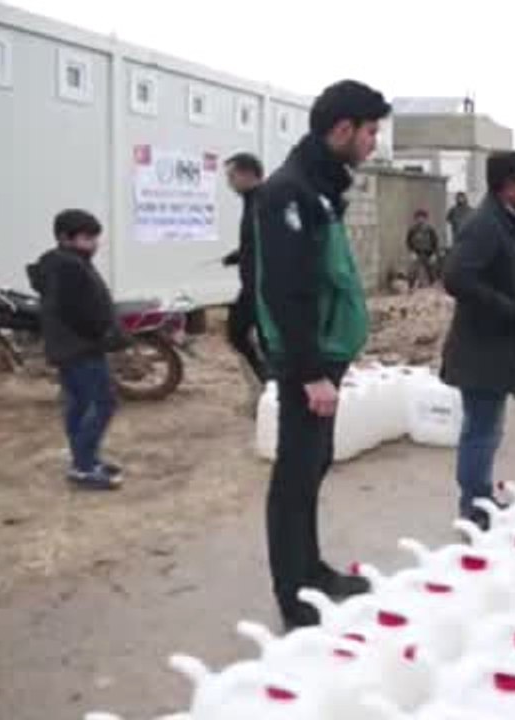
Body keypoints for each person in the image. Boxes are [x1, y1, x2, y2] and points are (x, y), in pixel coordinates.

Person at [253, 79, 391, 629]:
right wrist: (310, 374)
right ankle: (294, 598)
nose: (373, 141)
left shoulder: (320, 184)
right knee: (294, 477)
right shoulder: (288, 191)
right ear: (342, 130)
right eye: (370, 130)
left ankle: (312, 572)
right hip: (306, 363)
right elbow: (286, 289)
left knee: (313, 466)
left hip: (325, 356)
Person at [440, 151, 515, 528]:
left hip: (495, 347)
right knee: (481, 430)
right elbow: (456, 277)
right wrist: (507, 308)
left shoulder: (510, 221)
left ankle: (480, 497)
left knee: (487, 428)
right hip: (480, 348)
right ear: (508, 186)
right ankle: (474, 505)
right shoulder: (485, 225)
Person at [27, 209, 125, 491]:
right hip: (81, 348)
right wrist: (102, 333)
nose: (93, 244)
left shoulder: (65, 261)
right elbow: (79, 312)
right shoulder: (68, 267)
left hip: (70, 346)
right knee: (102, 403)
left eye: (95, 238)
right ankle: (83, 466)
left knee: (80, 404)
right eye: (86, 238)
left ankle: (85, 458)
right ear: (64, 238)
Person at [222, 152, 268, 398]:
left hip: (263, 286)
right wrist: (239, 255)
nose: (229, 182)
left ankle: (270, 384)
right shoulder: (251, 201)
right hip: (253, 284)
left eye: (232, 176)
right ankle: (267, 382)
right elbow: (257, 241)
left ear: (248, 174)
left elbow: (273, 243)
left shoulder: (263, 202)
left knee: (243, 333)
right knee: (240, 333)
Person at [406, 209, 442, 288]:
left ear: (426, 219)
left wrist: (434, 254)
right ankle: (410, 287)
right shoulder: (412, 229)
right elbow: (408, 241)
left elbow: (435, 242)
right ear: (415, 219)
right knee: (412, 270)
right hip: (416, 253)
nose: (420, 219)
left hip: (428, 253)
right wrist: (411, 252)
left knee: (432, 271)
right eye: (418, 218)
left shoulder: (430, 229)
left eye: (422, 217)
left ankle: (433, 286)